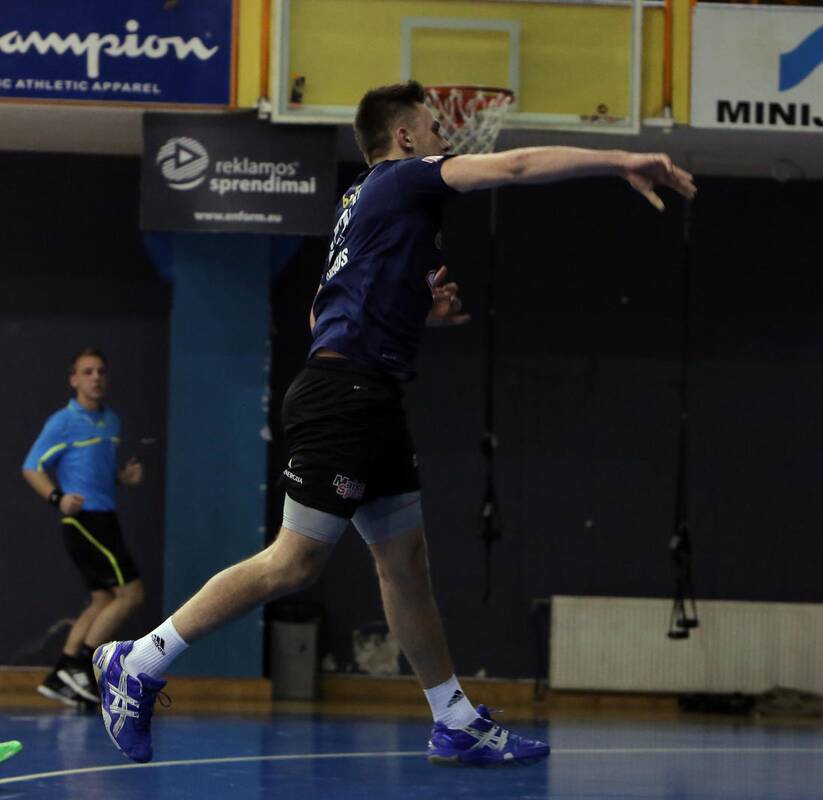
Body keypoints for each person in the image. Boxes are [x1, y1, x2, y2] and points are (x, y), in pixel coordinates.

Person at [93, 79, 696, 766]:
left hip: (369, 396)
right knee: (293, 562)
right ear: (405, 137)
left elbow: (321, 316)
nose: (445, 139)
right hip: (343, 400)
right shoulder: (405, 177)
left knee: (405, 566)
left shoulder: (359, 204)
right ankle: (139, 660)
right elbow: (516, 166)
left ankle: (454, 720)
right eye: (434, 129)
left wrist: (416, 310)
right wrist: (621, 160)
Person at [22, 348, 146, 709]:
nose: (95, 377)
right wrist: (56, 497)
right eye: (87, 371)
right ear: (74, 380)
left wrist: (124, 479)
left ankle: (61, 673)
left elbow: (98, 472)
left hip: (106, 517)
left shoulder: (112, 421)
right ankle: (79, 667)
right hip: (85, 521)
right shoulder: (63, 421)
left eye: (101, 371)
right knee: (132, 594)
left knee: (103, 600)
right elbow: (31, 466)